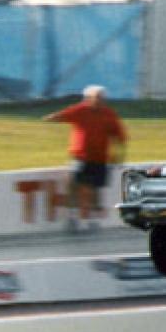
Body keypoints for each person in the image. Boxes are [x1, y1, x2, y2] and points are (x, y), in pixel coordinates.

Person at [43, 85, 127, 233]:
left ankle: (93, 219)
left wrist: (119, 157)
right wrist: (50, 118)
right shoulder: (80, 110)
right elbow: (62, 115)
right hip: (80, 157)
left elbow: (119, 136)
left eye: (101, 98)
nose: (99, 101)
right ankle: (72, 217)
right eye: (96, 98)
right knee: (73, 185)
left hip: (100, 158)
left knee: (95, 189)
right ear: (88, 98)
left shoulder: (109, 114)